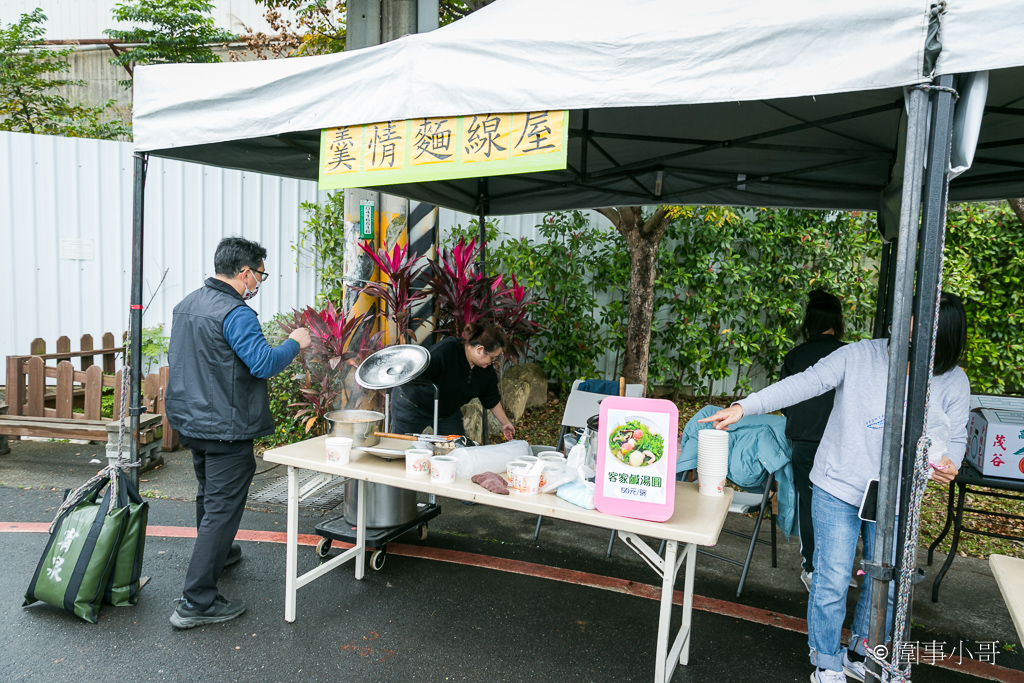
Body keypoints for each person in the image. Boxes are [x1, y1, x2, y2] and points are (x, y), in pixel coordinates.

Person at [700, 292, 969, 683]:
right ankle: (825, 663)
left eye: (918, 322)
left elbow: (956, 435)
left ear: (942, 335)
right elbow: (805, 383)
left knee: (888, 583)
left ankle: (860, 654)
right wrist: (746, 406)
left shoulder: (952, 380)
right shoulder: (861, 355)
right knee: (832, 579)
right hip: (838, 485)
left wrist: (951, 462)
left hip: (894, 495)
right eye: (906, 319)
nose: (905, 327)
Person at [165, 236, 310, 629]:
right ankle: (196, 602)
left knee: (208, 495)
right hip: (225, 426)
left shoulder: (187, 305)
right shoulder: (236, 312)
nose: (259, 281)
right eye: (259, 273)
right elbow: (262, 363)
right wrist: (294, 343)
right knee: (222, 508)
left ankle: (219, 553)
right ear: (245, 272)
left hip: (192, 421)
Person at [780, 290, 847, 593]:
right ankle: (838, 570)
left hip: (804, 439)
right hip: (841, 443)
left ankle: (812, 567)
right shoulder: (849, 354)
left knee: (809, 502)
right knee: (840, 504)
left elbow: (784, 400)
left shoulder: (796, 355)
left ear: (809, 321)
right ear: (837, 320)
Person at [391, 323, 516, 441]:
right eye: (492, 357)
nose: (492, 361)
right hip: (412, 405)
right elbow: (417, 375)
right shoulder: (447, 350)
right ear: (480, 349)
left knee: (457, 450)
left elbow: (491, 397)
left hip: (447, 413)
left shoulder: (485, 371)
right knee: (402, 449)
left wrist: (505, 423)